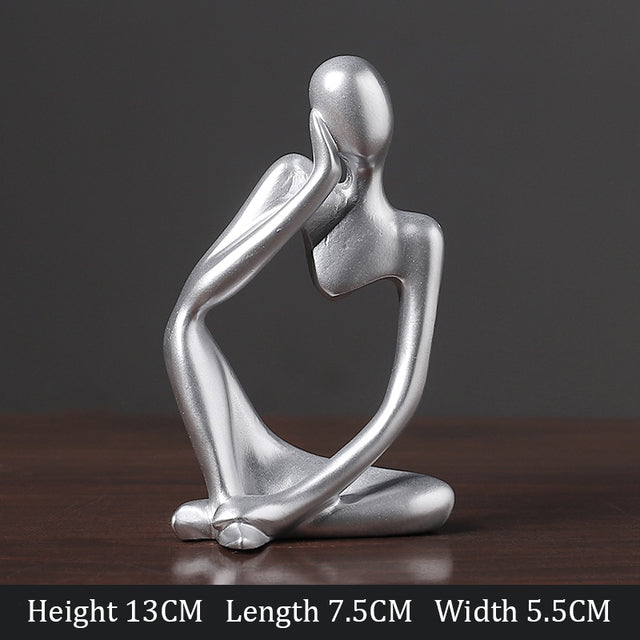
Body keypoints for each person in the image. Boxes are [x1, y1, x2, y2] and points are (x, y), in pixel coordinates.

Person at [164, 56, 454, 550]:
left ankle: (248, 517)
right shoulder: (291, 179)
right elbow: (196, 300)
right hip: (256, 461)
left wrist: (292, 502)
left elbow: (401, 401)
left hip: (314, 479)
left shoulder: (415, 237)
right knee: (183, 328)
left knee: (433, 498)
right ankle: (229, 499)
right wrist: (316, 186)